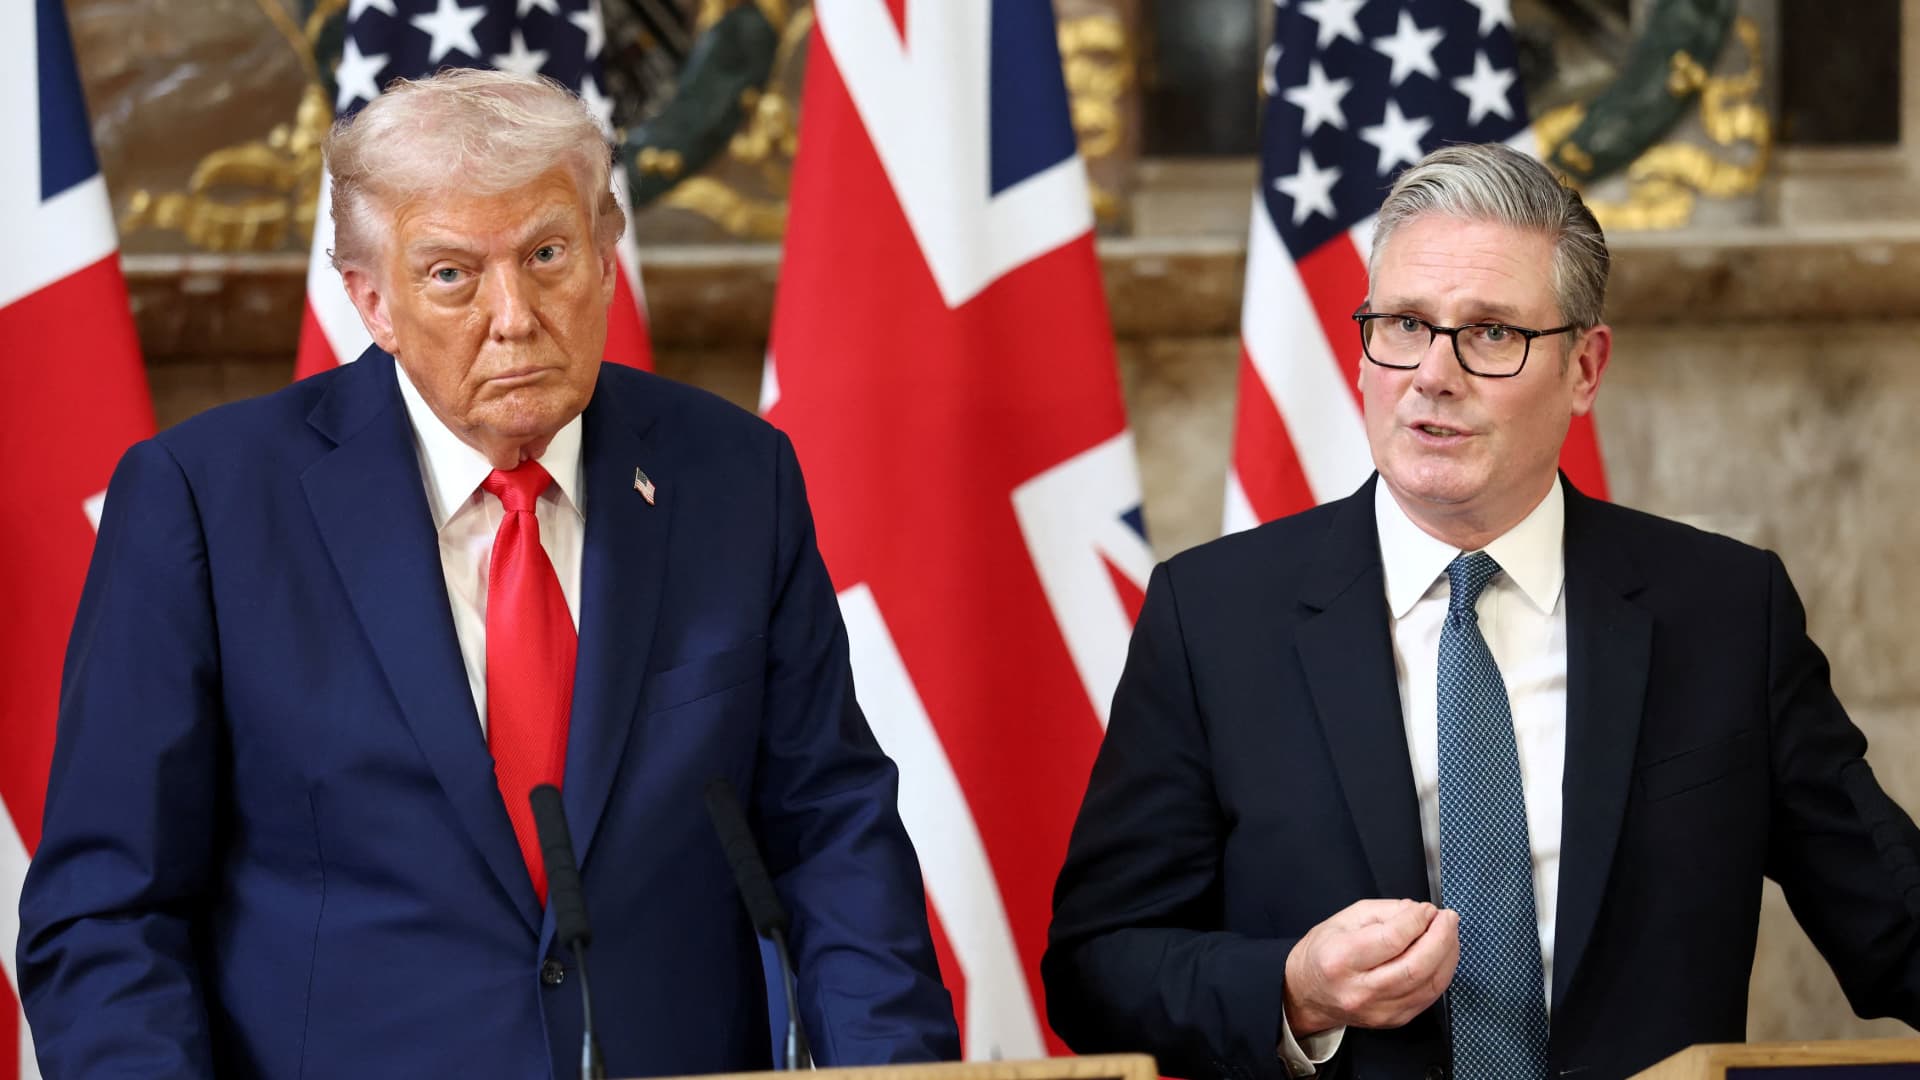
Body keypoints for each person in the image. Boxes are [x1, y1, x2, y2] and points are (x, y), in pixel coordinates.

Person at [19, 69, 958, 1078]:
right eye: (452, 274)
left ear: (605, 252)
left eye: (547, 255)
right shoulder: (207, 504)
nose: (514, 316)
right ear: (372, 302)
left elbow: (832, 837)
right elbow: (108, 912)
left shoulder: (735, 477)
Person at [1042, 143, 1920, 1080]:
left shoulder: (1726, 613)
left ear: (1585, 368)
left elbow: (1892, 918)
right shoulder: (1214, 618)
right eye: (1404, 324)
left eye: (1492, 333)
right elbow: (1097, 966)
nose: (1433, 374)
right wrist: (1293, 989)